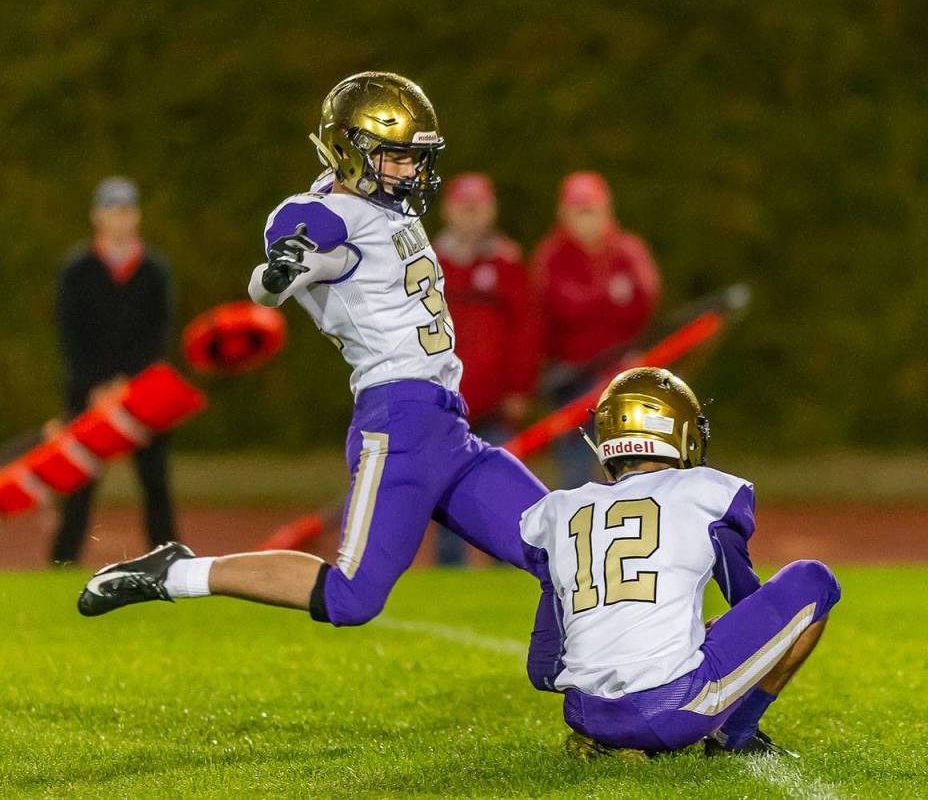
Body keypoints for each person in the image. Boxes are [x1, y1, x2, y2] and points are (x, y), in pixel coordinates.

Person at [76, 72, 549, 625]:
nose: (410, 169)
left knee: (558, 547)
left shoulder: (388, 209)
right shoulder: (329, 212)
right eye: (394, 156)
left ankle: (566, 674)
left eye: (415, 156)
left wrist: (286, 275)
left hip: (448, 426)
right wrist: (282, 271)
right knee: (352, 597)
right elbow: (295, 251)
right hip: (398, 422)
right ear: (351, 151)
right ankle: (175, 574)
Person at [519, 367, 841, 757]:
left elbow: (544, 669)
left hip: (585, 712)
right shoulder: (705, 492)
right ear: (680, 432)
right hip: (672, 710)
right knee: (813, 579)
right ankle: (734, 737)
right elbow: (748, 602)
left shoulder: (558, 509)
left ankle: (612, 739)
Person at [53, 177, 176, 564]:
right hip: (89, 393)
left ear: (135, 216)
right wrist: (96, 384)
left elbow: (158, 331)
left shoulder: (154, 271)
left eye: (125, 210)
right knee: (78, 480)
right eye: (111, 210)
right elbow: (71, 332)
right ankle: (62, 561)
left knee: (155, 480)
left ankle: (169, 558)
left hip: (142, 393)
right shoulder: (77, 270)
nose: (119, 219)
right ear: (96, 216)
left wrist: (130, 381)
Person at [433, 172, 540, 564]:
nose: (470, 216)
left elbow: (526, 331)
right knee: (444, 488)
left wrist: (519, 388)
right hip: (445, 400)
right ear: (448, 210)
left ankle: (507, 561)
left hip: (495, 402)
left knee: (501, 489)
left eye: (477, 208)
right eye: (464, 208)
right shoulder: (428, 261)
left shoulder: (507, 263)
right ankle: (449, 568)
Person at [532, 172, 661, 488]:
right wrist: (608, 299)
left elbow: (645, 302)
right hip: (571, 380)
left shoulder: (628, 250)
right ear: (564, 214)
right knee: (576, 473)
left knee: (632, 467)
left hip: (622, 376)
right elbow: (552, 310)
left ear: (607, 211)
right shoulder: (551, 256)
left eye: (591, 210)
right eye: (579, 211)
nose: (585, 220)